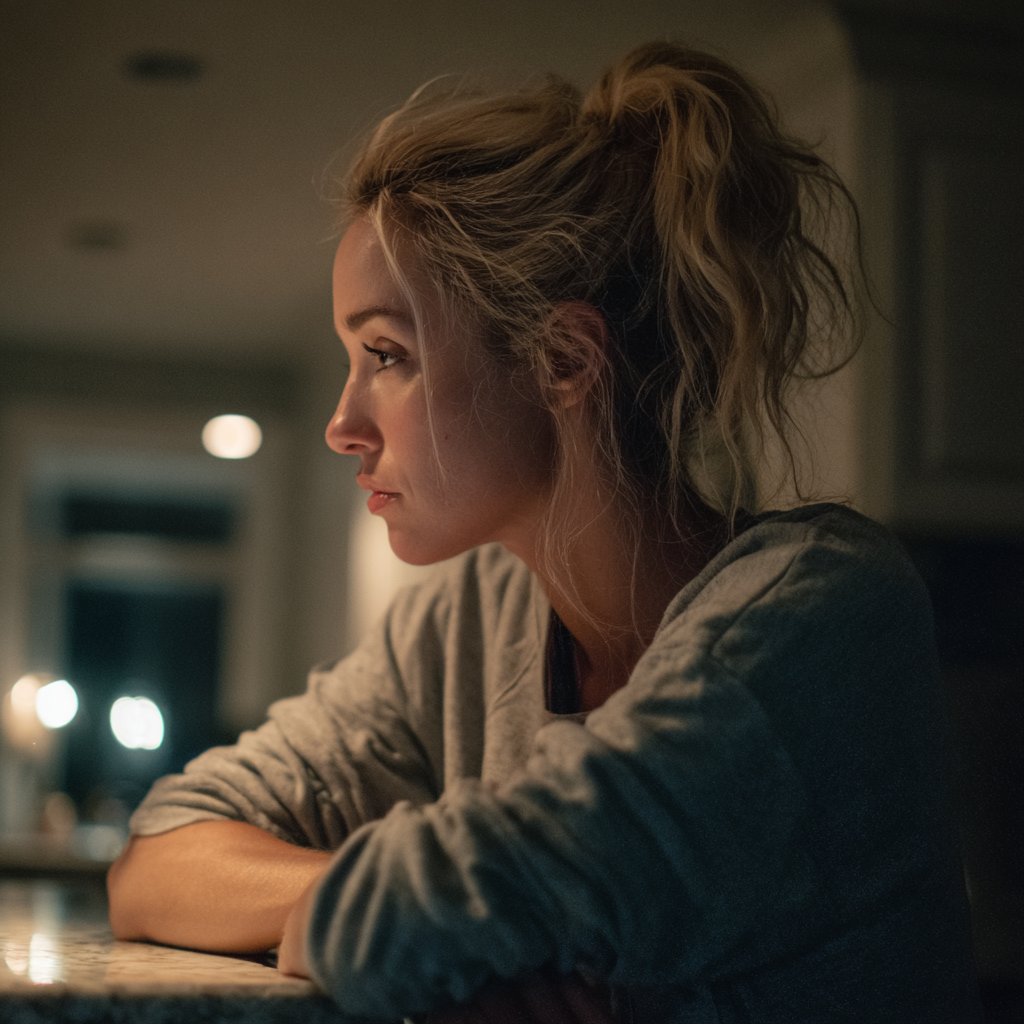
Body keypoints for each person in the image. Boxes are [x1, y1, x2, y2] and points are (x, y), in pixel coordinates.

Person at [107, 42, 981, 1023]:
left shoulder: (824, 612)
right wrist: (433, 924)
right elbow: (160, 850)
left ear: (562, 360)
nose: (342, 422)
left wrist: (416, 922)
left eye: (386, 353)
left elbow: (442, 908)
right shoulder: (460, 627)